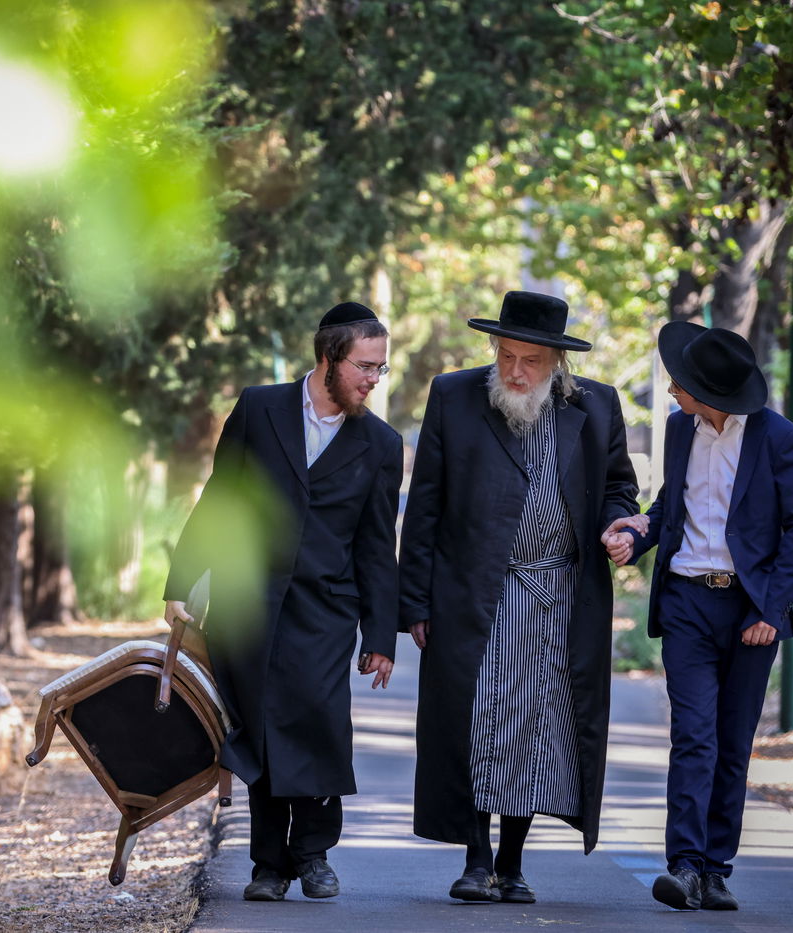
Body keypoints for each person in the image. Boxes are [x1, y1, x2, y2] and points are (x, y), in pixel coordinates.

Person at [398, 290, 640, 904]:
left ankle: (512, 862)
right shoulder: (454, 396)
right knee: (481, 720)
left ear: (557, 361)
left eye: (530, 360)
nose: (514, 371)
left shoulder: (598, 406)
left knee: (535, 726)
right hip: (476, 590)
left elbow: (619, 489)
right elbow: (424, 504)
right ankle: (476, 862)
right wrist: (415, 603)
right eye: (507, 355)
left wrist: (622, 528)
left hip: (559, 595)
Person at [163, 301, 403, 902]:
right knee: (261, 730)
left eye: (381, 369)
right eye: (364, 367)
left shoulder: (380, 443)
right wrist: (181, 582)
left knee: (319, 725)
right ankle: (268, 864)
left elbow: (377, 544)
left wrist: (379, 636)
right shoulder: (261, 408)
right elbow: (220, 499)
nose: (373, 379)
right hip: (248, 603)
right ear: (329, 358)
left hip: (325, 610)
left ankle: (314, 854)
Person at [603, 322, 793, 911]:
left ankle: (716, 868)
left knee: (731, 743)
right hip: (688, 601)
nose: (671, 390)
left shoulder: (778, 438)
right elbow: (673, 504)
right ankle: (685, 867)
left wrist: (771, 608)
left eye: (681, 384)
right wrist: (637, 535)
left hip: (751, 610)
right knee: (692, 735)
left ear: (711, 393)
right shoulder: (679, 430)